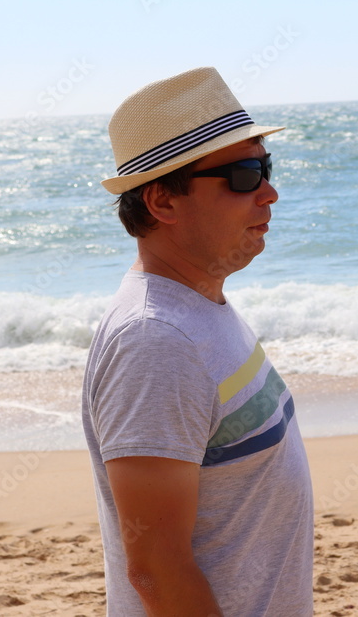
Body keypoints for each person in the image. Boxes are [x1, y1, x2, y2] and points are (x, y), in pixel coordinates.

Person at [82, 66, 314, 616]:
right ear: (162, 202)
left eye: (267, 166)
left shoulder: (201, 306)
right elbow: (156, 568)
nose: (269, 191)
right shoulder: (155, 341)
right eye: (243, 174)